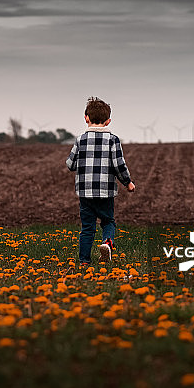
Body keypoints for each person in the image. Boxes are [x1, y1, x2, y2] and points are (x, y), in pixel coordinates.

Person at [66, 97, 135, 266]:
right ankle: (107, 243)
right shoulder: (113, 140)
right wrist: (128, 182)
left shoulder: (80, 140)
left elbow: (70, 164)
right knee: (108, 221)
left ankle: (84, 261)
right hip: (105, 191)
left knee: (87, 228)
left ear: (86, 118)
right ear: (108, 121)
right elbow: (119, 164)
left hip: (85, 192)